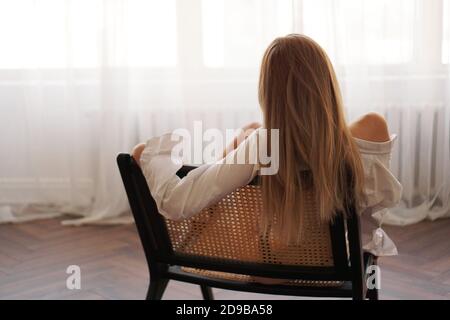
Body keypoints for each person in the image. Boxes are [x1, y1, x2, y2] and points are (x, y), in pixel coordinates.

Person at [131, 34, 401, 257]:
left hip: (279, 267)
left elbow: (177, 203)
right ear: (326, 82)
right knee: (252, 133)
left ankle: (201, 224)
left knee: (249, 135)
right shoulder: (372, 127)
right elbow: (373, 212)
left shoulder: (264, 144)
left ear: (269, 92)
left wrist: (148, 156)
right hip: (347, 263)